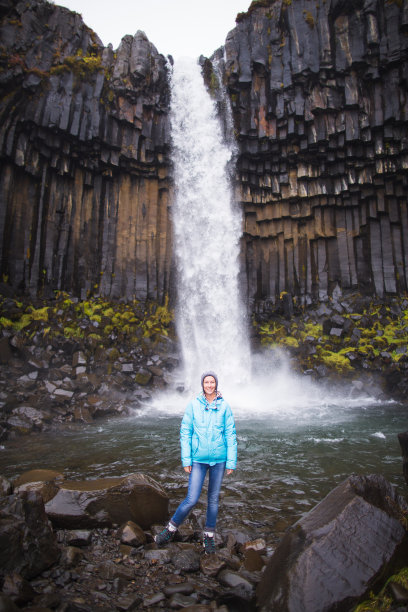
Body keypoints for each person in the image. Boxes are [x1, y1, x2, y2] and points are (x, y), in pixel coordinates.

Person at [155, 370, 237, 554]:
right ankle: (170, 530)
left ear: (216, 384)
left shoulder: (225, 406)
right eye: (206, 382)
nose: (209, 385)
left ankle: (208, 537)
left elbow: (230, 434)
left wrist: (231, 461)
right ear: (202, 385)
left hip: (219, 459)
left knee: (213, 500)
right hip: (198, 459)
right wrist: (186, 458)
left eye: (212, 382)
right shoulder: (193, 405)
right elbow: (186, 432)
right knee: (191, 498)